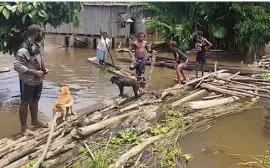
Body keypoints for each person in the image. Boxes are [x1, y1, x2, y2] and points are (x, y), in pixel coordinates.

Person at [14, 24, 49, 136]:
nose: (41, 34)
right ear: (35, 33)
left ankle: (35, 122)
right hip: (28, 81)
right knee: (25, 103)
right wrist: (34, 72)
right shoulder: (24, 48)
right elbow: (17, 66)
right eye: (40, 33)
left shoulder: (35, 45)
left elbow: (36, 60)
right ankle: (24, 129)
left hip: (37, 80)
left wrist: (43, 69)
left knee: (35, 100)